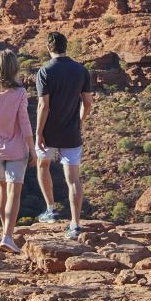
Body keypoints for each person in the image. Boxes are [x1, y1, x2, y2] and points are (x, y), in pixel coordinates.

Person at [35, 32, 93, 239]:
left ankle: (50, 210)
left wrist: (39, 132)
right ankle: (75, 224)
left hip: (49, 131)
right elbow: (87, 103)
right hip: (71, 132)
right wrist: (79, 121)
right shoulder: (81, 70)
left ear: (48, 48)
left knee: (43, 165)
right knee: (73, 179)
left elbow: (43, 105)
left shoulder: (45, 71)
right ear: (66, 46)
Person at [0, 48, 34, 253]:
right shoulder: (19, 93)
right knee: (14, 191)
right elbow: (25, 122)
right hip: (17, 149)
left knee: (2, 189)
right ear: (14, 69)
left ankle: (5, 232)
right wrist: (32, 149)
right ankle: (8, 236)